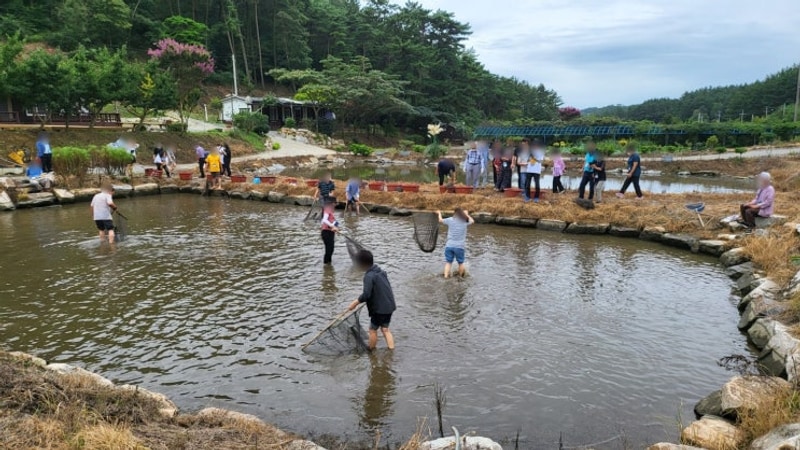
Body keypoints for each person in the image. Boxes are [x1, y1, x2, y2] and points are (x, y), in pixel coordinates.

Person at [347, 249, 396, 351]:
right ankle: (391, 350)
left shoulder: (369, 276)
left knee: (372, 330)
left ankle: (371, 350)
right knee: (385, 329)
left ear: (362, 264)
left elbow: (366, 295)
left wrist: (355, 303)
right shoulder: (381, 272)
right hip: (389, 306)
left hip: (379, 310)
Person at [437, 208, 474, 278]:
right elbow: (472, 221)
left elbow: (440, 220)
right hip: (459, 247)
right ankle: (460, 277)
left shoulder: (450, 220)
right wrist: (467, 215)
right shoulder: (465, 221)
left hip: (449, 246)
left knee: (448, 262)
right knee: (460, 263)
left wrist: (439, 213)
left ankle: (445, 277)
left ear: (455, 213)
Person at [320, 197, 340, 264]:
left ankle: (328, 264)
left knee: (331, 249)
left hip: (330, 232)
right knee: (329, 250)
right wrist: (332, 226)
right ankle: (326, 264)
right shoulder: (327, 209)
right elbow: (324, 220)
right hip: (326, 233)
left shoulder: (331, 210)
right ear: (332, 203)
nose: (336, 204)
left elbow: (333, 221)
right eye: (335, 203)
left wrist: (336, 228)